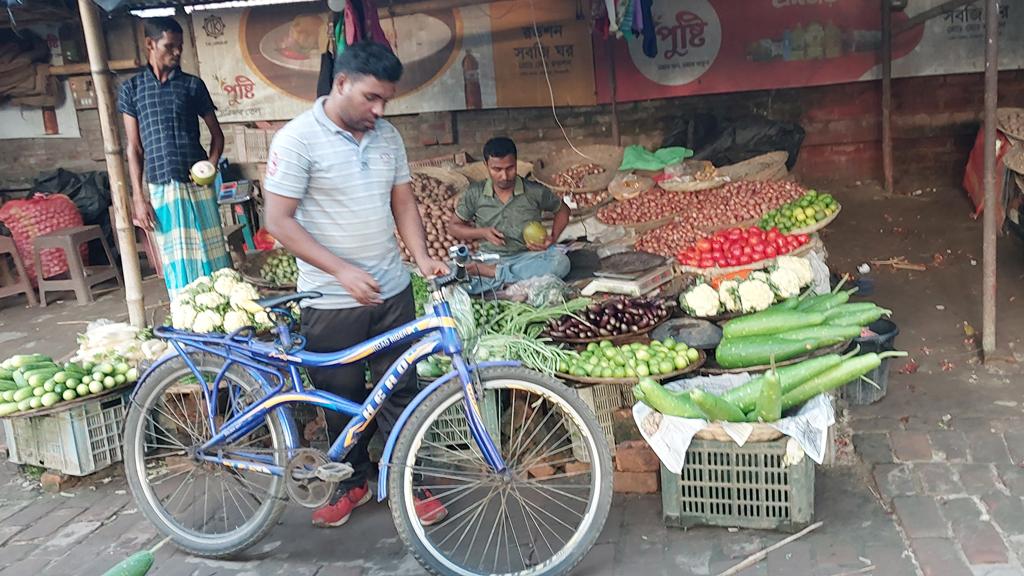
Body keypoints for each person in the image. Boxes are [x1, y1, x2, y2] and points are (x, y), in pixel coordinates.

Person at [263, 42, 449, 529]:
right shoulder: (296, 140)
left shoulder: (387, 137)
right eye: (371, 98)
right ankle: (352, 482)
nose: (379, 110)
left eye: (386, 100)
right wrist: (341, 270)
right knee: (342, 398)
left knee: (401, 390)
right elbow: (278, 221)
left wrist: (422, 258)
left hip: (392, 290)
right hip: (329, 300)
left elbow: (403, 204)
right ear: (340, 84)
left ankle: (412, 480)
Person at [119, 16, 230, 298]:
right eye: (170, 46)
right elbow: (135, 148)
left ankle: (222, 307)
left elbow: (217, 136)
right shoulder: (132, 90)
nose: (177, 52)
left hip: (197, 184)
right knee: (175, 257)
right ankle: (187, 314)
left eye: (180, 47)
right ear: (150, 44)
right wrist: (138, 197)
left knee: (211, 250)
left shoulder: (192, 86)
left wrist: (211, 167)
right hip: (160, 187)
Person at [449, 137, 572, 294]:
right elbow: (453, 227)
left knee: (561, 263)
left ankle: (499, 277)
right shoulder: (475, 193)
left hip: (527, 257)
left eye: (510, 168)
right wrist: (482, 232)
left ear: (516, 163)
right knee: (457, 278)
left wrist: (553, 237)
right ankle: (517, 282)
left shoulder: (534, 191)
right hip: (489, 258)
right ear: (486, 165)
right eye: (497, 170)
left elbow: (563, 210)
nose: (505, 176)